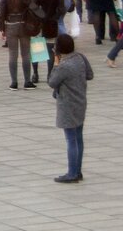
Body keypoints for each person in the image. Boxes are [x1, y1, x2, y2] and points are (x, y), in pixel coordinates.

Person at [47, 34, 93, 183]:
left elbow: (52, 82)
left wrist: (55, 63)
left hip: (67, 105)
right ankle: (77, 171)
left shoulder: (64, 66)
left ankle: (72, 173)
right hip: (81, 101)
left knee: (70, 140)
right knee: (78, 137)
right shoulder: (80, 58)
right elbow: (90, 75)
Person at [0, 0, 35, 90]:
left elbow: (2, 12)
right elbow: (31, 9)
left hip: (10, 25)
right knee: (26, 54)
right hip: (24, 25)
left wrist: (2, 29)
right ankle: (27, 81)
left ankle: (14, 82)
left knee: (12, 54)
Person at [31, 0, 66, 81]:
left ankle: (49, 74)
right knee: (36, 50)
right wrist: (40, 14)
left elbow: (62, 8)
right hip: (39, 23)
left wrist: (54, 18)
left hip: (50, 24)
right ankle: (35, 73)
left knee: (50, 50)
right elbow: (32, 3)